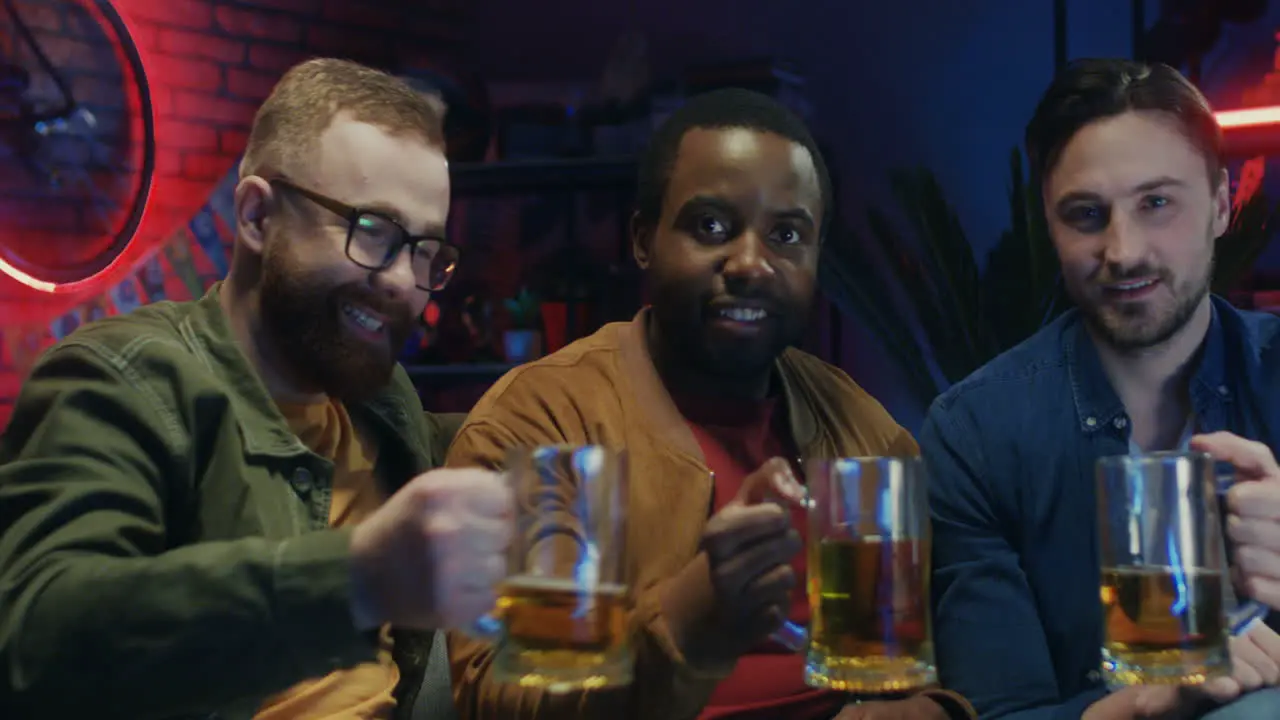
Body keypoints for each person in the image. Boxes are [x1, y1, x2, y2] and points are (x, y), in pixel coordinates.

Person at [0, 58, 512, 720]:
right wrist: (357, 578)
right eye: (373, 232)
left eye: (423, 251)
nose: (403, 283)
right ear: (256, 216)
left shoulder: (380, 399)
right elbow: (34, 642)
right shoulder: (126, 379)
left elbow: (469, 439)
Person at [444, 89, 974, 720]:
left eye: (786, 234)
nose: (751, 264)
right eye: (712, 227)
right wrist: (691, 614)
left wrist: (920, 711)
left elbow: (901, 672)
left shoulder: (864, 434)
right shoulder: (549, 423)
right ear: (643, 239)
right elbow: (508, 704)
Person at [921, 58, 1280, 720]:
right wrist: (1145, 706)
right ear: (1049, 228)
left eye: (1157, 203)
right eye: (1086, 214)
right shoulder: (975, 433)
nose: (1124, 250)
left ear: (1222, 205)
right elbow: (1000, 713)